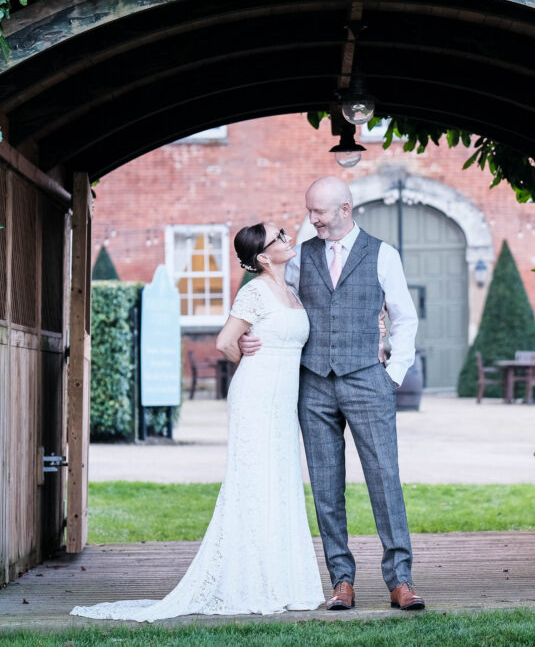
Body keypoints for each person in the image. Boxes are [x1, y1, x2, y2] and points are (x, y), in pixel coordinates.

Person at [70, 223, 324, 621]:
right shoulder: (254, 291)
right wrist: (247, 356)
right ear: (262, 257)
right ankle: (250, 582)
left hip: (283, 404)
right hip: (256, 398)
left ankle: (285, 580)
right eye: (279, 237)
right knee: (253, 483)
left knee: (282, 481)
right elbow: (225, 341)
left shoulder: (289, 292)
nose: (287, 239)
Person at [239, 176, 424, 611]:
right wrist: (248, 336)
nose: (311, 220)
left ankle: (400, 581)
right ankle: (342, 579)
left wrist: (392, 375)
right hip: (314, 384)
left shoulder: (383, 254)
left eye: (319, 212)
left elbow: (404, 318)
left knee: (385, 480)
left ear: (345, 208)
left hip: (367, 380)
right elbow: (269, 297)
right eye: (309, 212)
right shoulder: (301, 255)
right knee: (325, 486)